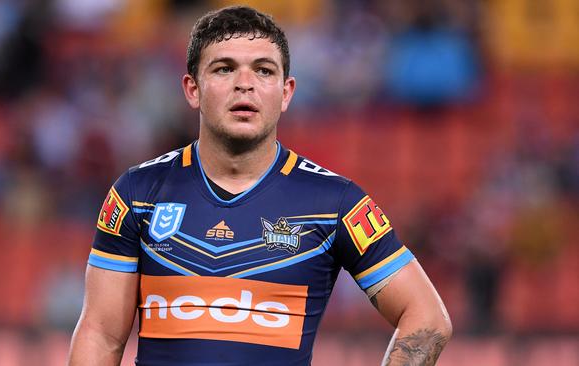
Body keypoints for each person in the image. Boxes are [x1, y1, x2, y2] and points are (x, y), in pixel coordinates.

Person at [68, 6, 452, 366]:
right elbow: (101, 333)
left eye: (264, 71)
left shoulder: (336, 203)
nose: (245, 84)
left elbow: (428, 317)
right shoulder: (137, 194)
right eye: (224, 69)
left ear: (286, 93)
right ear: (192, 89)